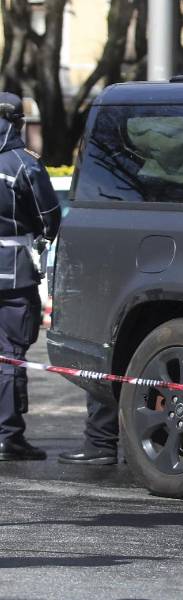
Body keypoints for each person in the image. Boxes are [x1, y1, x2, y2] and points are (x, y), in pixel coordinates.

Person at [0, 92, 61, 462]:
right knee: (10, 356)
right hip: (13, 273)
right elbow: (50, 216)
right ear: (18, 122)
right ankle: (8, 435)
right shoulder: (22, 164)